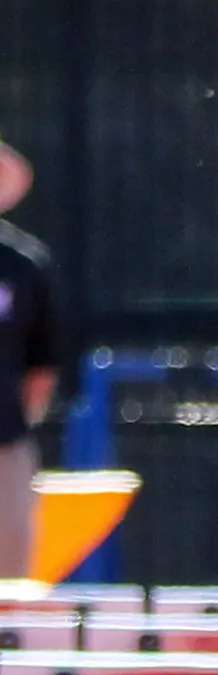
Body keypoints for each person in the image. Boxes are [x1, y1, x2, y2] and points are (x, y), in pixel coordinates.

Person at [0, 138, 60, 581]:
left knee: (10, 570)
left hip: (4, 442)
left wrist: (21, 422)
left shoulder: (23, 265)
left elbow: (44, 361)